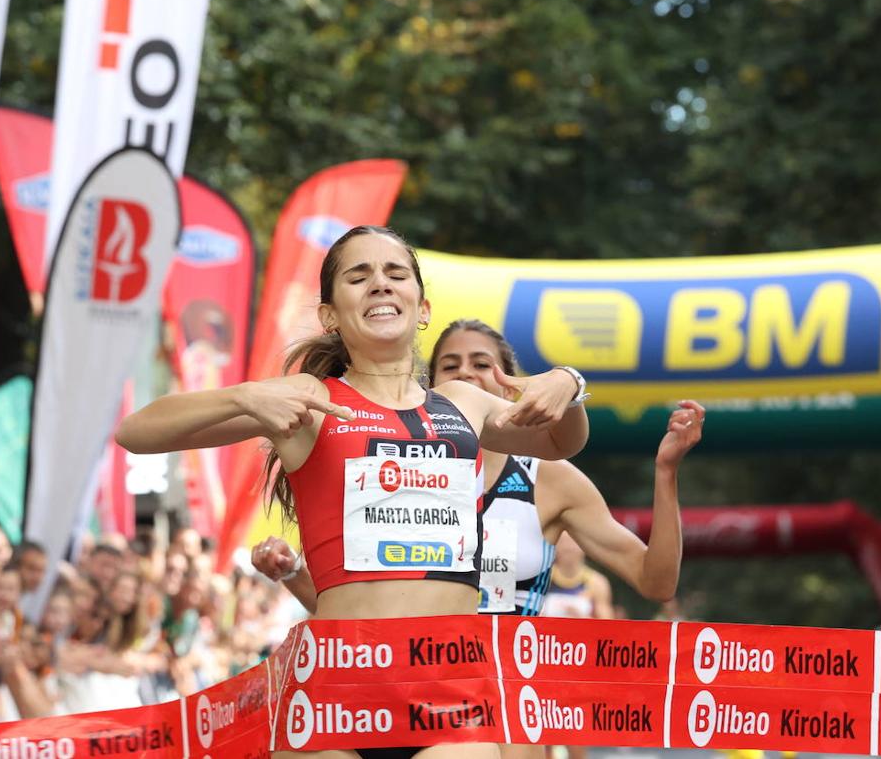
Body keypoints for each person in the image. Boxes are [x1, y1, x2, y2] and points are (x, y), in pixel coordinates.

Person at [118, 226, 590, 759]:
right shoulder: (311, 399)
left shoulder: (464, 402)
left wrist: (569, 386)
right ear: (330, 316)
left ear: (423, 306)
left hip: (450, 689)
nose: (380, 286)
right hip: (337, 692)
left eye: (395, 275)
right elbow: (136, 432)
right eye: (358, 277)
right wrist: (246, 398)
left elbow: (558, 442)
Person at [255, 317, 703, 759]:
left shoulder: (551, 479)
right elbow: (361, 607)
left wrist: (667, 475)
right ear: (433, 388)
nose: (466, 374)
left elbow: (656, 582)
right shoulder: (397, 477)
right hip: (403, 690)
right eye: (451, 366)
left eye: (481, 363)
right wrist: (294, 572)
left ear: (510, 384)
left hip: (508, 697)